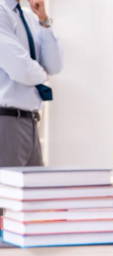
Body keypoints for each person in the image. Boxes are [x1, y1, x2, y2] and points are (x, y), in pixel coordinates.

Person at [0, 0, 62, 167]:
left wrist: (43, 20)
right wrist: (43, 74)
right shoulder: (2, 12)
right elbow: (21, 69)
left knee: (35, 191)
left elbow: (54, 65)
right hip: (6, 121)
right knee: (6, 191)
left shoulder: (29, 16)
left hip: (31, 121)